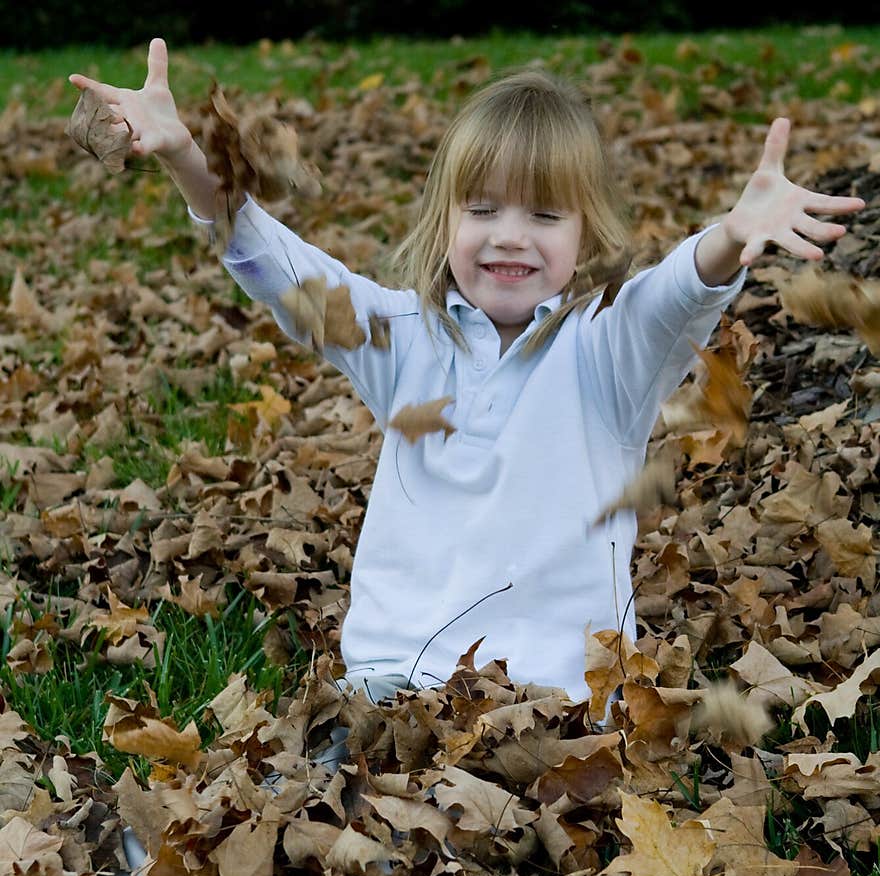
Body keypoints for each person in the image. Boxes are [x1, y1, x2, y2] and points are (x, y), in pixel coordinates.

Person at [69, 39, 864, 711]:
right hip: (390, 691)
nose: (508, 238)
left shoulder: (608, 349)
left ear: (585, 231)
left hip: (556, 708)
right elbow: (282, 268)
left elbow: (672, 295)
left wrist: (729, 237)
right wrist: (184, 158)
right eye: (482, 210)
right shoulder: (404, 339)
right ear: (446, 218)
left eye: (544, 215)